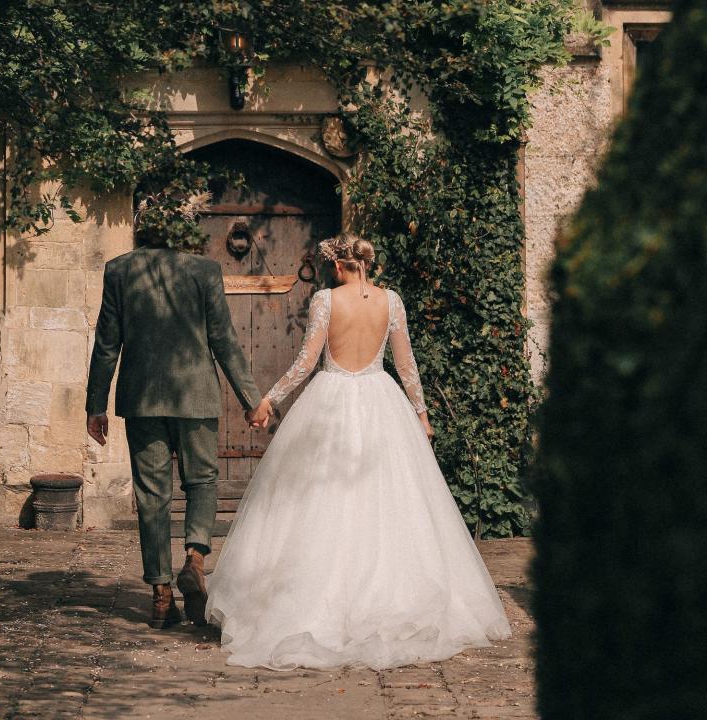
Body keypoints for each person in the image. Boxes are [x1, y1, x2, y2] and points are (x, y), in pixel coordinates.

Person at [205, 233, 511, 670]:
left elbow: (306, 362)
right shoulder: (393, 301)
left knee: (317, 499)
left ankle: (312, 600)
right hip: (382, 399)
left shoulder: (326, 301)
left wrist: (270, 399)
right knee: (388, 500)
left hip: (330, 400)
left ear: (337, 265)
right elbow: (406, 365)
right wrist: (421, 416)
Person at [85, 235, 268, 629]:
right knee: (202, 480)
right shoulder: (205, 271)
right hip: (196, 396)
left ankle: (161, 594)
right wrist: (251, 399)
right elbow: (223, 340)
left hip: (142, 399)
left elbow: (106, 345)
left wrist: (95, 405)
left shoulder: (119, 270)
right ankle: (196, 557)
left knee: (152, 494)